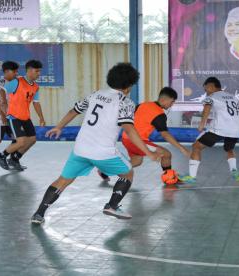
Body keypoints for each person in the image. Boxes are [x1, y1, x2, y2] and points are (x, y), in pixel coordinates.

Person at [30, 62, 161, 224]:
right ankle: (112, 205)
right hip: (103, 152)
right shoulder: (125, 102)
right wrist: (149, 153)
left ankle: (39, 214)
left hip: (80, 149)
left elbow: (74, 111)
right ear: (128, 86)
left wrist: (58, 127)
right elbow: (129, 130)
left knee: (62, 180)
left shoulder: (96, 94)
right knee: (127, 173)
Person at [107, 87, 190, 184]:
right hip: (137, 141)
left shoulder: (143, 105)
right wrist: (182, 148)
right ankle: (169, 178)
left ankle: (106, 171)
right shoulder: (159, 114)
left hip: (126, 138)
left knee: (137, 161)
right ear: (163, 100)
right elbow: (165, 135)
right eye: (171, 102)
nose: (172, 105)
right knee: (166, 154)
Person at [179, 77, 239, 184]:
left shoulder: (212, 97)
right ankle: (234, 170)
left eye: (206, 90)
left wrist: (202, 124)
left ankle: (191, 177)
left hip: (220, 128)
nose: (206, 93)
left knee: (196, 147)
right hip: (236, 128)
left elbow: (207, 108)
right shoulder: (232, 96)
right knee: (229, 149)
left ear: (211, 86)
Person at [0, 60, 46, 171]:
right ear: (29, 71)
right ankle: (1, 155)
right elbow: (2, 90)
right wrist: (3, 102)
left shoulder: (35, 86)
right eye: (37, 71)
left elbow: (36, 102)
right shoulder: (18, 81)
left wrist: (41, 117)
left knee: (32, 140)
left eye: (39, 71)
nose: (39, 74)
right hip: (14, 116)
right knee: (21, 141)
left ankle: (15, 159)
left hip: (26, 117)